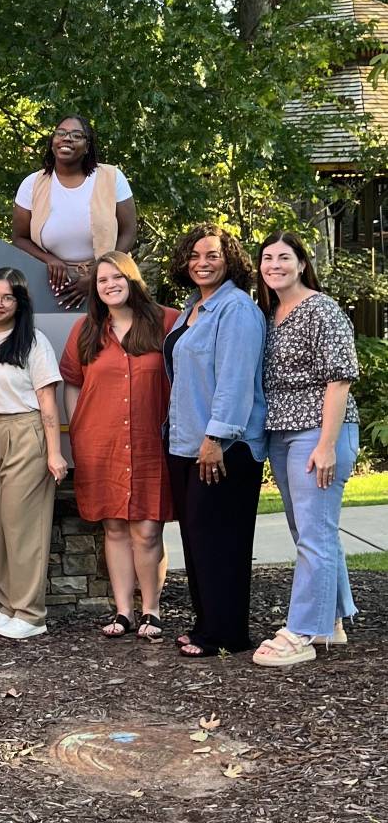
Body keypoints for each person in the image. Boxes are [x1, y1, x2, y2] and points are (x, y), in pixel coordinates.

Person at [252, 232, 359, 667]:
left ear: (301, 264)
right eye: (267, 257)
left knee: (314, 534)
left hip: (318, 432)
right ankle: (330, 619)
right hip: (283, 434)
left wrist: (327, 445)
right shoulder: (272, 313)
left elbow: (340, 378)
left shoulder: (321, 309)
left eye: (284, 257)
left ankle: (300, 633)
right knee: (310, 532)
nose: (274, 264)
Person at [59, 252, 177, 640]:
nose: (110, 285)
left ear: (132, 279)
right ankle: (124, 611)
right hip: (101, 442)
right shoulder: (86, 330)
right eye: (102, 280)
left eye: (117, 277)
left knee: (147, 529)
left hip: (149, 443)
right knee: (113, 527)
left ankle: (152, 610)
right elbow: (72, 382)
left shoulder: (166, 322)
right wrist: (78, 430)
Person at [163, 224, 266, 658]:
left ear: (231, 262)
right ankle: (207, 623)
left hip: (224, 447)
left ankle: (226, 634)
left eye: (213, 255)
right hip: (186, 442)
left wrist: (216, 437)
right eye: (195, 255)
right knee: (198, 541)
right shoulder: (194, 308)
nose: (202, 262)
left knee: (222, 541)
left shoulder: (237, 310)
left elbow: (236, 380)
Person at [0, 267, 67, 640]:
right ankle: (9, 605)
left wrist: (55, 454)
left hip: (25, 432)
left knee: (23, 525)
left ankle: (32, 613)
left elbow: (48, 402)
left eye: (7, 297)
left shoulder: (33, 342)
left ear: (20, 303)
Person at [11, 116, 137, 308]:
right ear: (52, 143)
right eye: (61, 133)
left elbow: (129, 232)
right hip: (49, 283)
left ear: (87, 147)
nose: (67, 138)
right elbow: (20, 238)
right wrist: (49, 259)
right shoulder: (32, 184)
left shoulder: (112, 177)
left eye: (76, 135)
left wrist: (99, 274)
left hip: (108, 282)